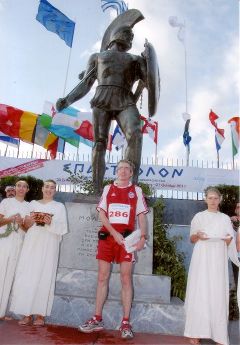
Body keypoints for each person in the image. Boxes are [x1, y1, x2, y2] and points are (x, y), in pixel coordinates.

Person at [56, 9, 159, 194]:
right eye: (128, 34)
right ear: (117, 36)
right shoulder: (97, 57)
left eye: (131, 36)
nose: (130, 37)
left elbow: (150, 81)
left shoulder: (136, 59)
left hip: (126, 99)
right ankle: (96, 190)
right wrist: (68, 100)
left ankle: (130, 187)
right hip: (102, 98)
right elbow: (86, 83)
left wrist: (147, 60)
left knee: (135, 134)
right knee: (99, 143)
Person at [78, 159, 148, 339]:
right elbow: (102, 213)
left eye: (127, 168)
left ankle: (125, 322)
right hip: (108, 238)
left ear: (131, 173)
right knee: (102, 277)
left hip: (127, 241)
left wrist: (142, 237)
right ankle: (97, 318)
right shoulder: (108, 188)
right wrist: (114, 233)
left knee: (126, 278)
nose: (123, 171)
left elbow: (142, 217)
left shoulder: (136, 191)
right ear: (116, 171)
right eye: (120, 168)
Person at [184, 187, 239, 345]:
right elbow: (192, 239)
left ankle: (219, 335)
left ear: (220, 199)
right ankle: (195, 333)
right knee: (199, 291)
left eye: (216, 198)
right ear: (205, 199)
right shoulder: (198, 217)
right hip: (202, 258)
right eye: (210, 198)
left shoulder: (224, 219)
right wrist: (198, 236)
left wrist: (229, 240)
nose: (213, 201)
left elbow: (230, 241)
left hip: (218, 259)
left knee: (218, 293)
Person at [10, 179, 68, 326]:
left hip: (49, 245)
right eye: (47, 187)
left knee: (45, 277)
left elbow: (63, 228)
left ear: (55, 190)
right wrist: (28, 221)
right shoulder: (32, 204)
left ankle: (40, 315)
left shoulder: (59, 206)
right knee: (28, 277)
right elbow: (24, 226)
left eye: (52, 188)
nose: (49, 189)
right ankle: (26, 313)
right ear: (42, 188)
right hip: (31, 243)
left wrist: (50, 222)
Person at [0, 180, 29, 320]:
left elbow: (27, 229)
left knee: (10, 276)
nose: (21, 188)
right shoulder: (6, 203)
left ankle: (2, 312)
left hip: (19, 244)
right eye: (19, 186)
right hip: (4, 242)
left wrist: (20, 223)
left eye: (24, 186)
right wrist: (10, 219)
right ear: (15, 188)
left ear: (27, 189)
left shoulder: (29, 206)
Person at [230, 202, 240, 288]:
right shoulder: (230, 222)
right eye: (238, 207)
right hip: (235, 256)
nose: (239, 209)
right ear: (235, 210)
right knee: (237, 280)